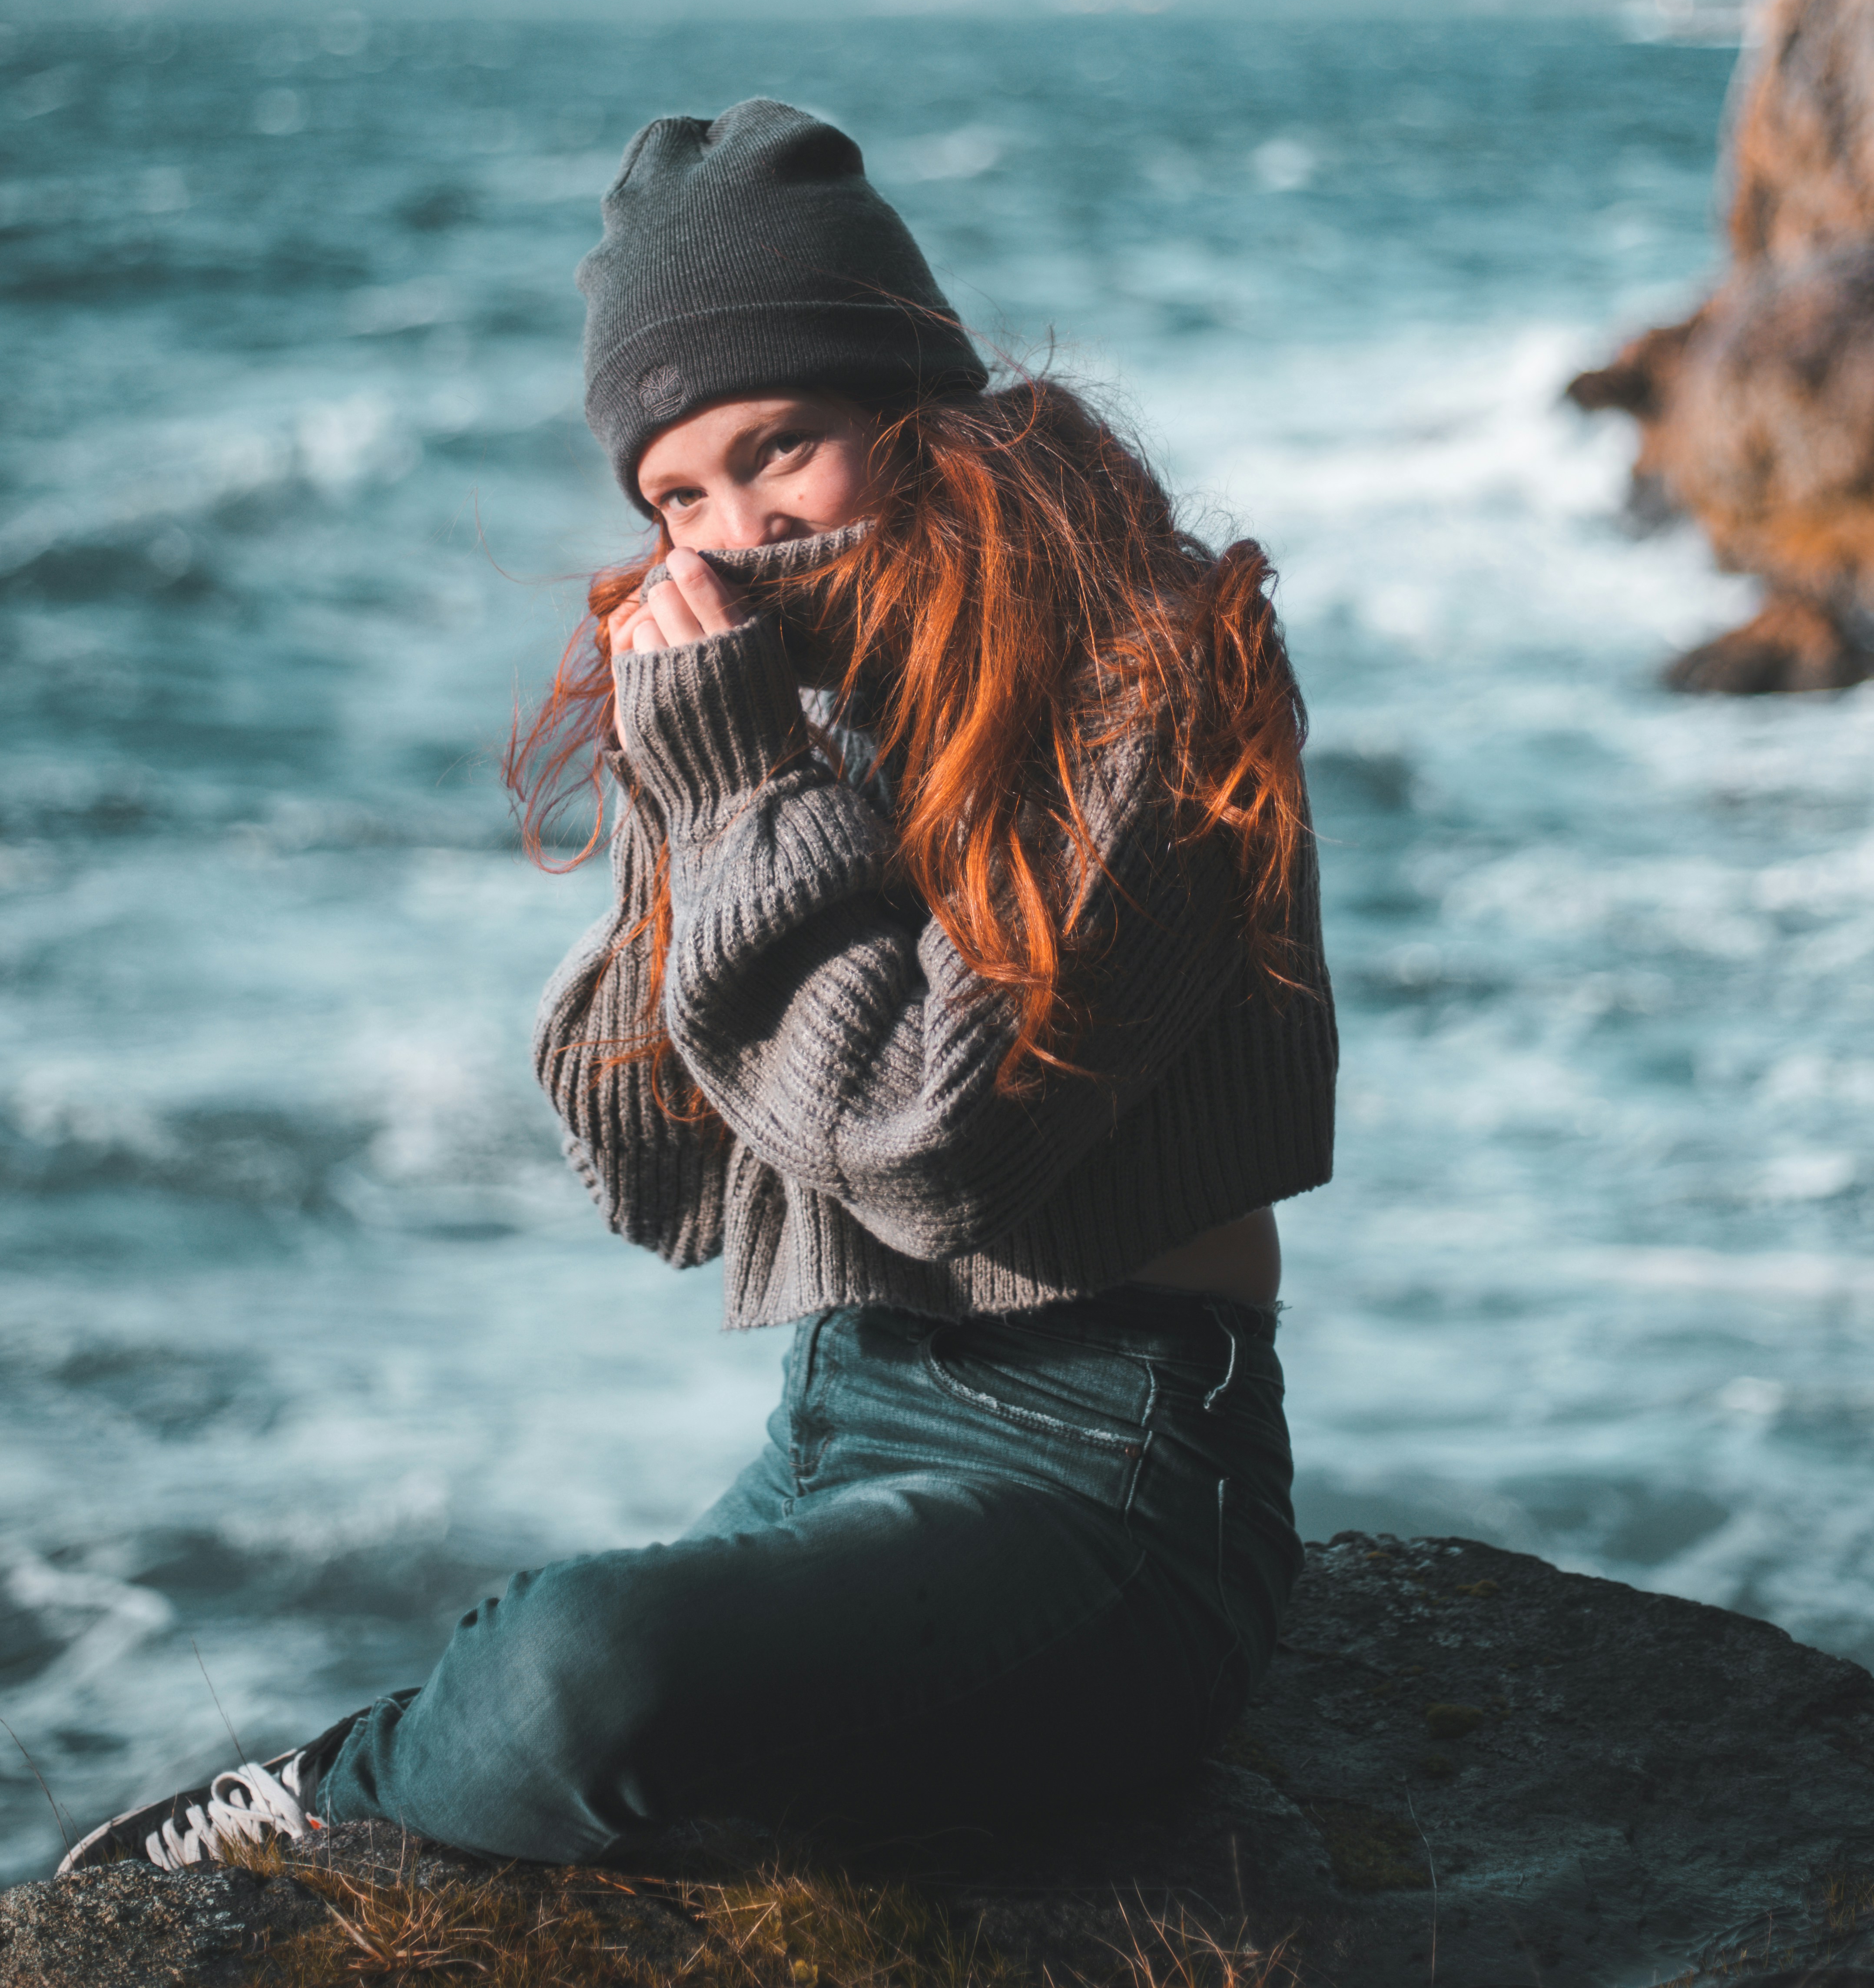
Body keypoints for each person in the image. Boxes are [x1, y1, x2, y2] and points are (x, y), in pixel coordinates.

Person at [59, 97, 1337, 1875]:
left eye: (781, 448)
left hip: (1109, 1473)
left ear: (913, 407)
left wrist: (743, 775)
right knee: (568, 1674)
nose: (732, 527)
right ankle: (391, 1771)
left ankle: (343, 1793)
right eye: (677, 493)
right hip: (841, 1400)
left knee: (581, 1665)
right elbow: (653, 1164)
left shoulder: (1158, 675)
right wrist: (689, 779)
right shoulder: (822, 694)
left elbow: (926, 1150)